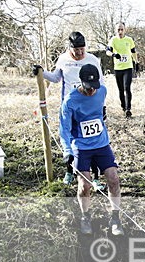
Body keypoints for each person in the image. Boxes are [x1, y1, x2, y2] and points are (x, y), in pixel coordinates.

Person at [32, 31, 104, 185]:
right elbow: (56, 78)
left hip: (89, 106)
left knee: (91, 138)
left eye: (82, 49)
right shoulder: (63, 59)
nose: (79, 53)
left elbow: (101, 83)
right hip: (69, 106)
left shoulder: (92, 60)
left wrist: (102, 106)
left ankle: (96, 176)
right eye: (76, 50)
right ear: (70, 48)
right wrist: (41, 72)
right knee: (69, 138)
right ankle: (69, 172)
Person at [59, 64, 123, 236]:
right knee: (84, 186)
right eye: (88, 88)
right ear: (81, 83)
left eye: (94, 88)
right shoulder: (70, 101)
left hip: (102, 144)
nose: (91, 92)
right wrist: (67, 151)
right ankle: (85, 216)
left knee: (114, 179)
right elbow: (64, 129)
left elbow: (100, 111)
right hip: (81, 147)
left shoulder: (102, 91)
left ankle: (115, 218)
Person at [106, 22, 137, 118]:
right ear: (116, 30)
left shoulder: (129, 40)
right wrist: (114, 54)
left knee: (127, 88)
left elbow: (133, 52)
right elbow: (107, 51)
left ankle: (128, 109)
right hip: (118, 68)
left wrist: (136, 62)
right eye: (118, 30)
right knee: (120, 90)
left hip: (128, 67)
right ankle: (123, 107)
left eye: (122, 29)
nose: (120, 31)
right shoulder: (113, 40)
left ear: (125, 30)